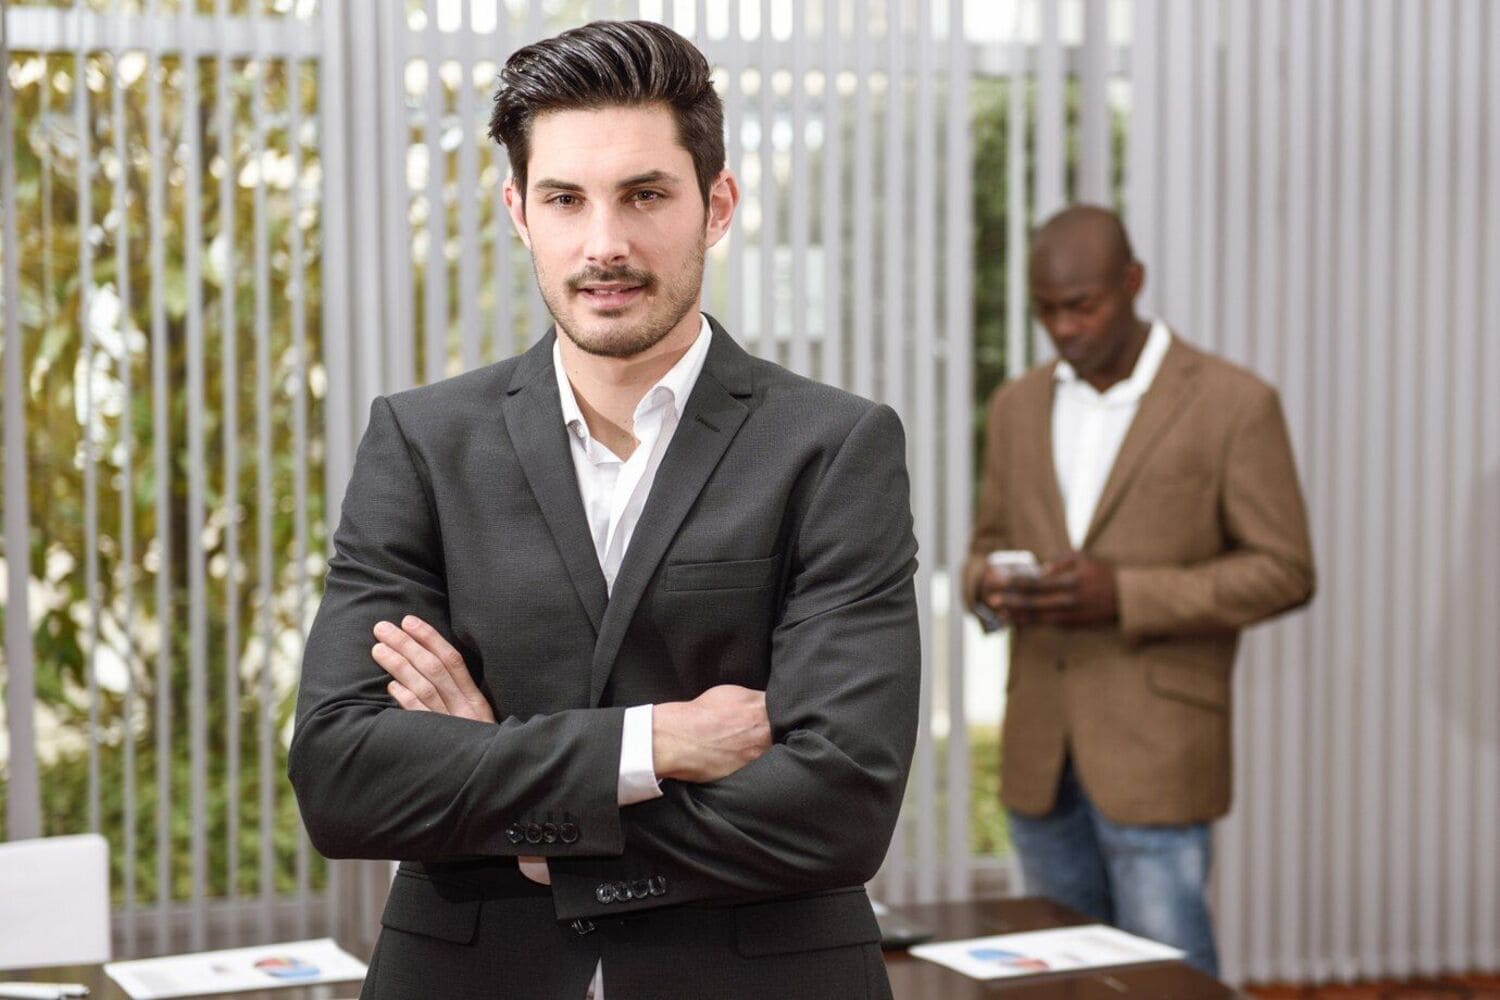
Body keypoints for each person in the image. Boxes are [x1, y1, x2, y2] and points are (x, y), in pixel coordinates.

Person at [288, 19, 920, 1000]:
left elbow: (840, 801)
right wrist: (653, 742)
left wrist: (527, 816)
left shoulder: (835, 448)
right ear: (517, 210)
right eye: (565, 199)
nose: (604, 244)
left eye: (644, 195)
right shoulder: (421, 444)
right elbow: (342, 776)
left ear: (717, 205)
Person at [964, 205, 1315, 977]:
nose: (1064, 327)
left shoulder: (1233, 403)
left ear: (1133, 284)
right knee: (1059, 978)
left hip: (1160, 751)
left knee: (1168, 982)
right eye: (1046, 310)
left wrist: (1125, 595)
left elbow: (1286, 569)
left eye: (1082, 305)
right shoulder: (1017, 406)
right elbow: (984, 545)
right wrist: (989, 584)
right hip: (1038, 752)